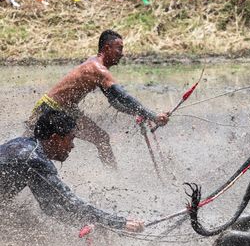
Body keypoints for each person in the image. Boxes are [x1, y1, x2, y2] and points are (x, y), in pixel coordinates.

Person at [25, 30, 169, 169]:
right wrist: (152, 115)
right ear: (107, 48)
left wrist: (137, 113)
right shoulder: (97, 69)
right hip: (49, 108)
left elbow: (114, 101)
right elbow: (123, 96)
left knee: (101, 139)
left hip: (68, 110)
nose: (122, 54)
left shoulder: (98, 68)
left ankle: (113, 179)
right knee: (31, 147)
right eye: (119, 49)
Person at [1, 109, 144, 233]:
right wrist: (118, 223)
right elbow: (69, 201)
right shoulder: (34, 160)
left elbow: (49, 206)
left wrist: (88, 223)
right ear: (55, 139)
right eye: (70, 139)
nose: (72, 146)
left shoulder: (21, 144)